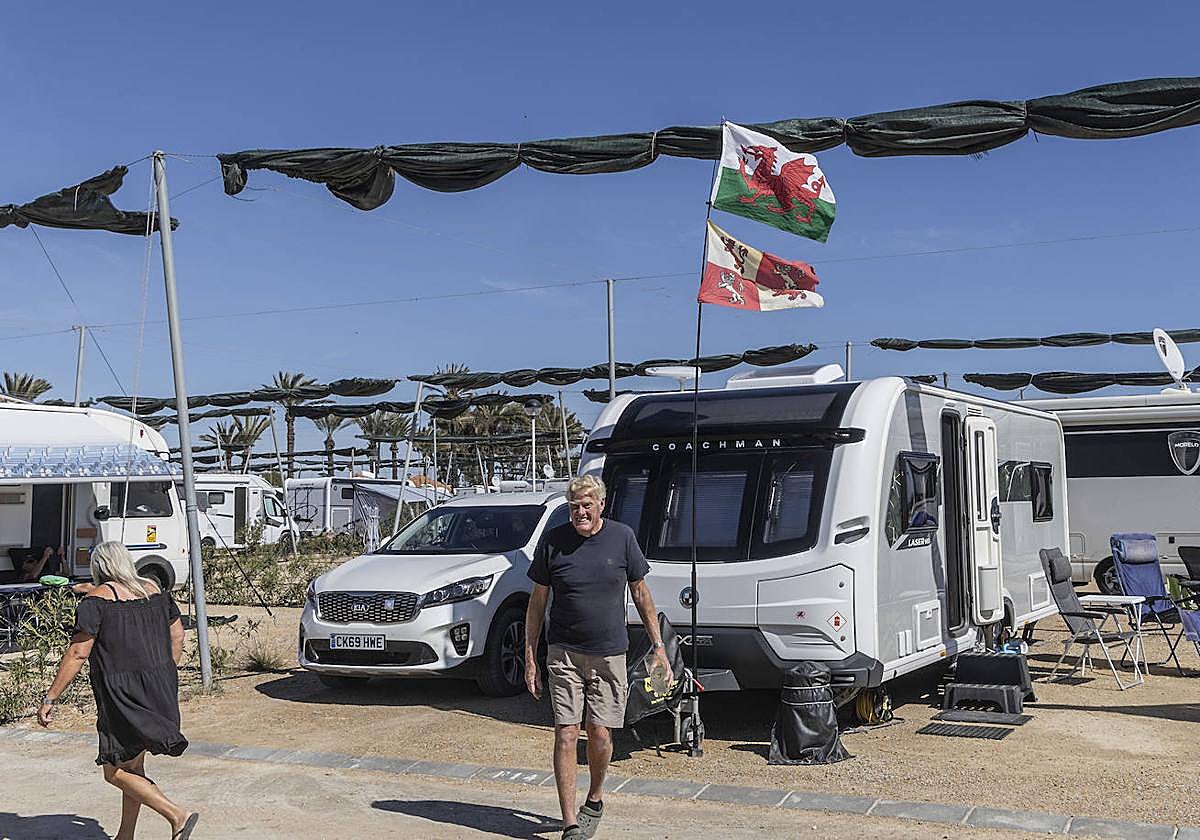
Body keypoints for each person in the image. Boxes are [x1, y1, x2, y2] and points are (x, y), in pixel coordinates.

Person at [525, 475, 672, 840]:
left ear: (601, 505)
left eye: (587, 505)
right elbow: (537, 601)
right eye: (574, 506)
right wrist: (530, 654)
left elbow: (641, 594)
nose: (580, 512)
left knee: (600, 734)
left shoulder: (622, 538)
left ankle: (595, 797)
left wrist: (659, 648)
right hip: (563, 653)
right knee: (566, 733)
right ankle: (570, 823)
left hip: (609, 654)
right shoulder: (554, 542)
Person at [38, 541, 198, 840]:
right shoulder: (155, 590)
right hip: (159, 687)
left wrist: (51, 697)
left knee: (115, 772)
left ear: (99, 568)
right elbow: (177, 634)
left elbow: (77, 654)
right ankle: (125, 835)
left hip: (121, 694)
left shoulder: (95, 602)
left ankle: (177, 815)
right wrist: (166, 672)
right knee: (132, 766)